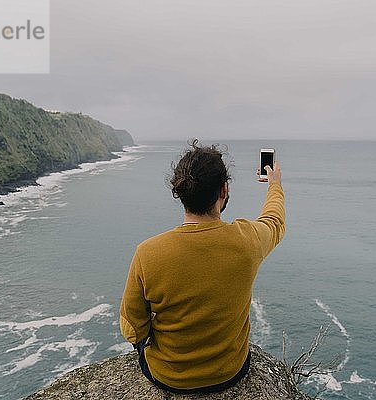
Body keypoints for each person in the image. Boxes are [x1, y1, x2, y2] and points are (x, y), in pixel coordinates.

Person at [119, 139, 285, 394]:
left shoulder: (148, 253)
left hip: (168, 376)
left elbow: (133, 326)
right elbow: (274, 221)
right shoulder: (247, 241)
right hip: (229, 372)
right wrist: (274, 184)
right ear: (223, 191)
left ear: (180, 193)